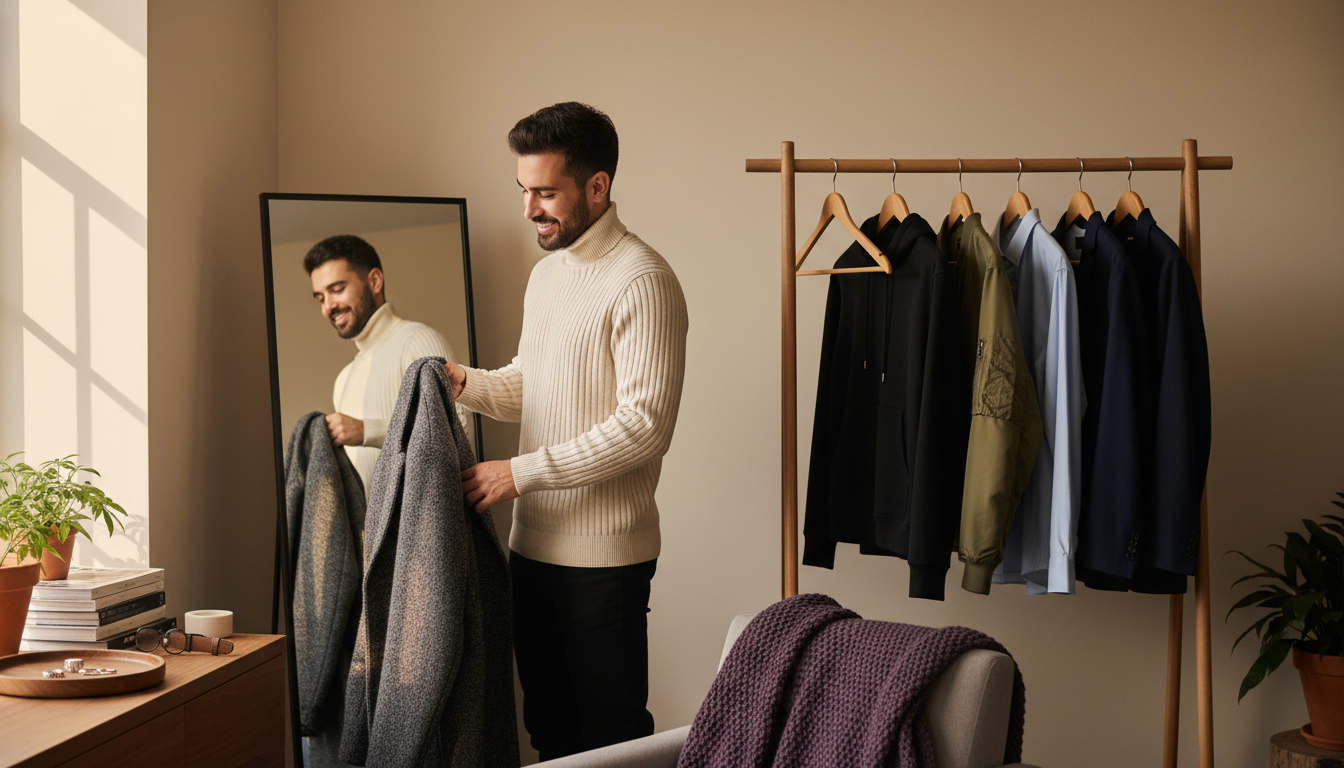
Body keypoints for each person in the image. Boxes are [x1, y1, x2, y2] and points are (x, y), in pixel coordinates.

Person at [444, 102, 688, 761]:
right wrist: (462, 380)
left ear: (597, 186)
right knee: (546, 735)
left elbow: (644, 428)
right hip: (532, 551)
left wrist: (516, 474)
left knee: (611, 744)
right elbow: (536, 381)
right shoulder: (546, 276)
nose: (529, 210)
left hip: (605, 562)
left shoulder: (644, 280)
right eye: (524, 191)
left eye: (546, 192)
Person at [305, 234, 468, 493]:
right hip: (367, 533)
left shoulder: (419, 340)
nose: (329, 306)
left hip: (421, 531)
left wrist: (365, 430)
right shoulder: (344, 379)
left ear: (374, 281)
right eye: (320, 298)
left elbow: (457, 433)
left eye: (337, 290)